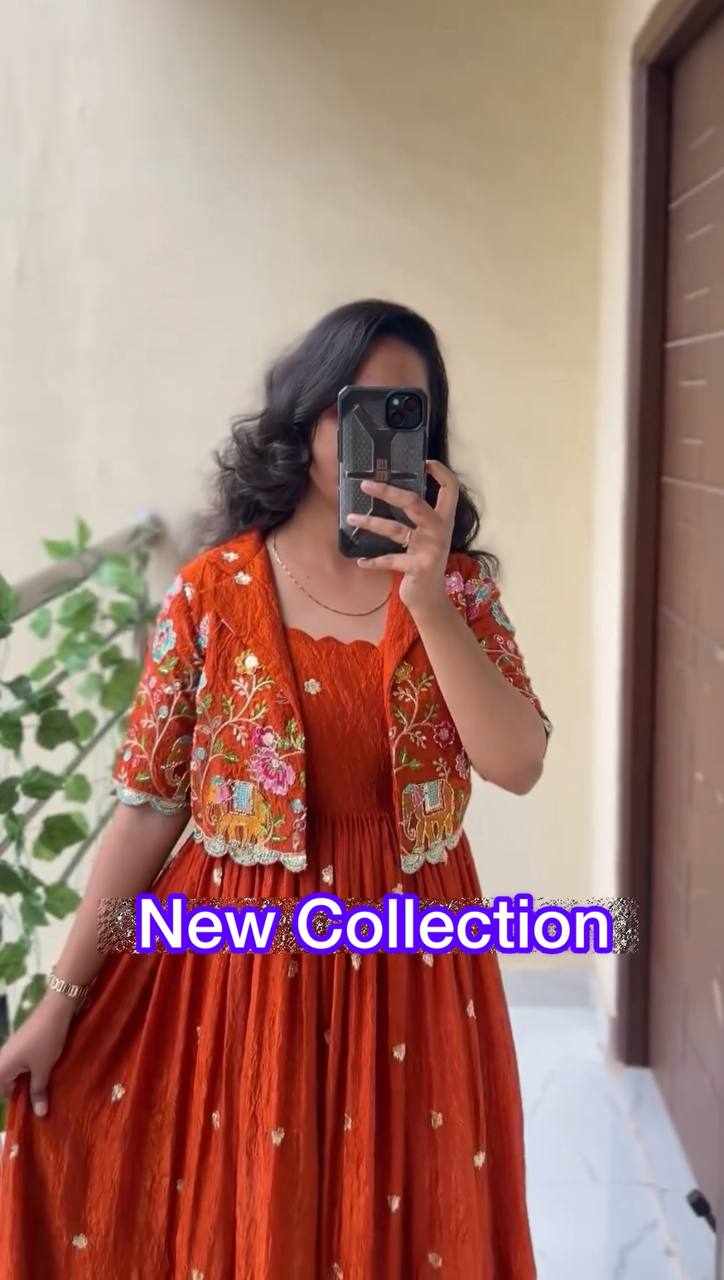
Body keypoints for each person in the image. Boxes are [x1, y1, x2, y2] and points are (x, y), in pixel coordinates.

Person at [0, 299, 552, 1278]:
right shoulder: (212, 591)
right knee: (254, 1217)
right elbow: (147, 811)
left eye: (406, 409)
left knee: (405, 1218)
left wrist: (426, 599)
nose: (376, 432)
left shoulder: (457, 590)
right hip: (238, 970)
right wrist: (62, 998)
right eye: (355, 405)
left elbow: (517, 763)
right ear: (306, 416)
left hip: (413, 961)